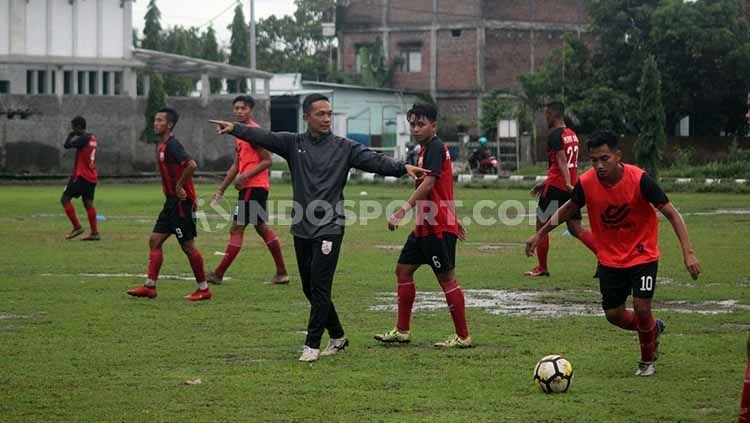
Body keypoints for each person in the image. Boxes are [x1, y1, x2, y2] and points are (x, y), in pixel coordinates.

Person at [209, 94, 427, 362]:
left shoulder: (344, 147)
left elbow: (374, 160)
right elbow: (265, 137)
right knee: (309, 288)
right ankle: (338, 336)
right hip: (302, 226)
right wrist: (235, 129)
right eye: (320, 114)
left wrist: (402, 167)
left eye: (329, 114)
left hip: (330, 227)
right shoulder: (292, 143)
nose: (326, 119)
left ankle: (311, 345)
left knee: (321, 287)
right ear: (306, 118)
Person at [526, 129, 701, 376]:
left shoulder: (640, 180)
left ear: (618, 155)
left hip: (643, 254)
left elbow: (672, 213)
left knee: (642, 308)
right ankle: (652, 329)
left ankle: (647, 361)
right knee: (614, 314)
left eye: (604, 158)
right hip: (610, 258)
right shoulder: (586, 183)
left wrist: (688, 253)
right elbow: (568, 208)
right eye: (594, 160)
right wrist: (540, 233)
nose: (598, 165)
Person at [374, 103, 472, 348]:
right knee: (403, 270)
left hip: (436, 227)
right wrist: (454, 215)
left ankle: (463, 337)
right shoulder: (425, 149)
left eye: (421, 124)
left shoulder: (435, 148)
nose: (416, 129)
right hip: (425, 227)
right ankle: (402, 330)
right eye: (413, 124)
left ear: (434, 126)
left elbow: (429, 184)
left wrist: (403, 209)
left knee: (447, 278)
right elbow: (441, 186)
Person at [127, 108, 212, 302]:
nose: (155, 123)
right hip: (171, 203)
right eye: (155, 120)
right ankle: (150, 286)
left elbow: (191, 164)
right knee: (155, 240)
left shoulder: (173, 145)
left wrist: (180, 186)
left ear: (169, 125)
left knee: (188, 247)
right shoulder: (162, 146)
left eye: (159, 120)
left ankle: (204, 289)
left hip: (182, 203)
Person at [208, 95, 289, 285]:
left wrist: (245, 177)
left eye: (243, 108)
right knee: (261, 227)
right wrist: (221, 190)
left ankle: (218, 274)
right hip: (251, 188)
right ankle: (282, 273)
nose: (238, 112)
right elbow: (236, 165)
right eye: (236, 108)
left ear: (250, 111)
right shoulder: (240, 134)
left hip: (254, 187)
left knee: (237, 228)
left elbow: (267, 160)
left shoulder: (254, 133)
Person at [525, 101, 597, 277]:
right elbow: (569, 164)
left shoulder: (554, 135)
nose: (545, 118)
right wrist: (565, 184)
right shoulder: (571, 134)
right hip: (572, 186)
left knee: (541, 224)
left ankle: (542, 267)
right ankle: (606, 257)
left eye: (546, 114)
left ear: (551, 114)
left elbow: (562, 160)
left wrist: (564, 183)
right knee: (576, 228)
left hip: (558, 187)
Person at [61, 116, 100, 241]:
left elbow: (66, 145)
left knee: (65, 199)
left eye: (73, 127)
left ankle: (77, 227)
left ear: (78, 127)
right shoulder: (92, 137)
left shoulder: (83, 138)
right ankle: (95, 233)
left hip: (81, 176)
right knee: (88, 203)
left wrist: (70, 135)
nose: (73, 129)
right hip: (92, 176)